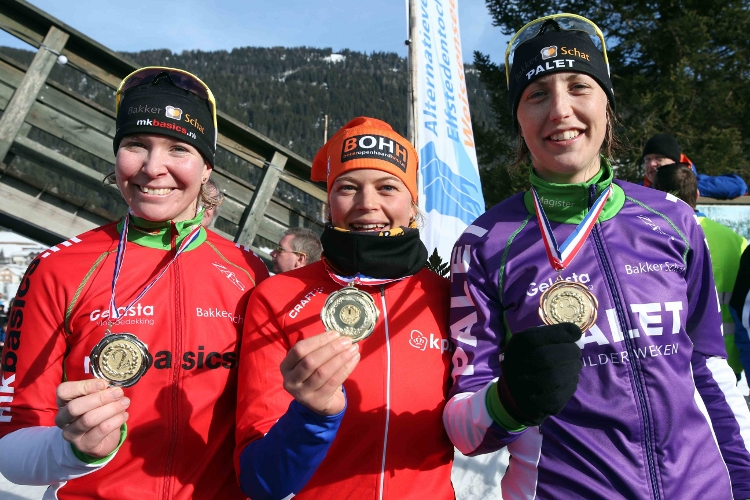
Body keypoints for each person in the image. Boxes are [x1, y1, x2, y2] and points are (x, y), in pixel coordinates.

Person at [443, 14, 750, 499]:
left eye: (579, 87)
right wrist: (510, 401)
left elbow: (709, 366)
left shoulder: (672, 218)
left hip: (701, 486)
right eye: (537, 94)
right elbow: (464, 427)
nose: (561, 110)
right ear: (518, 118)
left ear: (607, 105)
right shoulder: (484, 243)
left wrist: (743, 478)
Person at [0, 67, 269, 499]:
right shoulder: (59, 268)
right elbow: (11, 446)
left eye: (179, 148)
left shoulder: (250, 273)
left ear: (206, 169)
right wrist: (75, 452)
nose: (152, 167)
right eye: (135, 145)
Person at [235, 117, 454, 499]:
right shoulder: (276, 297)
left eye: (387, 187)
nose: (367, 204)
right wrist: (313, 417)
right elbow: (261, 481)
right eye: (348, 188)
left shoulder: (447, 297)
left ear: (413, 204)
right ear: (328, 203)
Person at [653, 163, 749, 379]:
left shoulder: (651, 239)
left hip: (673, 362)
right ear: (696, 194)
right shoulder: (736, 241)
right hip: (728, 361)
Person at [642, 132, 747, 198]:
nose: (651, 164)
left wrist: (684, 187)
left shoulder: (697, 183)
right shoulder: (639, 189)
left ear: (675, 162)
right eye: (647, 159)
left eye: (659, 158)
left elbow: (738, 186)